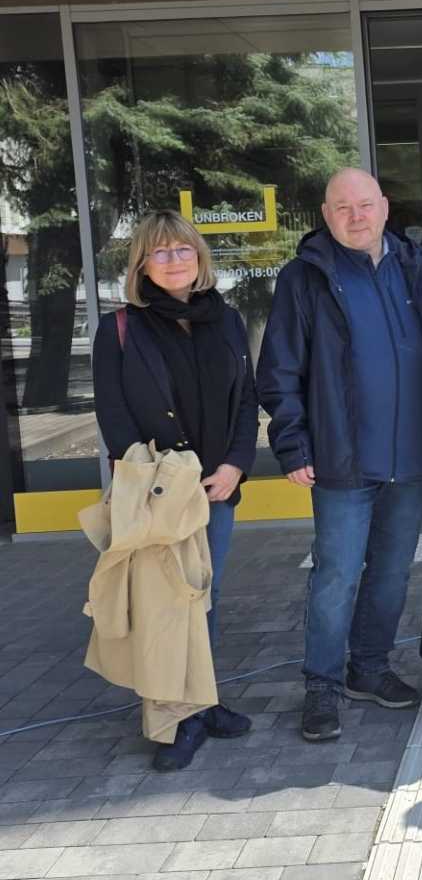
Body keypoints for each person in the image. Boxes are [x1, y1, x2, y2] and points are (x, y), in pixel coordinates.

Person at [257, 169, 422, 742]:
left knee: (390, 573)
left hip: (411, 459)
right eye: (343, 207)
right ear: (326, 213)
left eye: (365, 205)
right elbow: (280, 369)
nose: (356, 216)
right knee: (335, 575)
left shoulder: (420, 268)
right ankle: (322, 686)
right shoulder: (305, 277)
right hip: (342, 460)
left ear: (385, 207)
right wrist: (292, 444)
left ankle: (369, 667)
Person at [92, 209, 258, 771]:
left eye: (183, 250)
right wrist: (162, 481)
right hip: (162, 496)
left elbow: (246, 402)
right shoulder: (120, 329)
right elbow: (114, 418)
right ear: (142, 263)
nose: (173, 260)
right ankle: (175, 718)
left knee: (202, 599)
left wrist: (236, 465)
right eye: (160, 252)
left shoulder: (228, 321)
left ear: (199, 258)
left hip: (216, 490)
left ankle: (201, 701)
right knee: (165, 608)